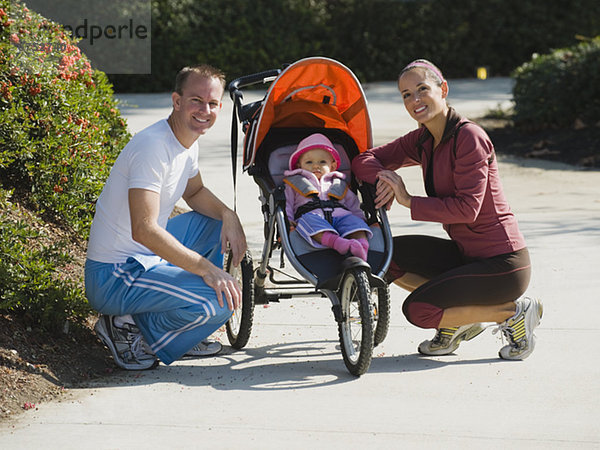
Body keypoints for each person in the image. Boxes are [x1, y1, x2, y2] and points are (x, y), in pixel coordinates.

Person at [352, 59, 542, 360]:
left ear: (443, 90)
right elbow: (364, 159)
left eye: (422, 89)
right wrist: (385, 179)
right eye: (406, 94)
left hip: (503, 265)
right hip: (467, 258)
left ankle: (513, 312)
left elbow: (468, 209)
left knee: (418, 310)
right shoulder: (424, 138)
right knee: (387, 256)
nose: (414, 100)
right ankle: (457, 320)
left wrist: (408, 200)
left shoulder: (469, 138)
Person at [85, 64, 247, 370]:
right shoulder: (152, 147)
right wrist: (206, 270)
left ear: (220, 107)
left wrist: (229, 215)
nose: (205, 110)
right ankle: (124, 327)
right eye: (196, 100)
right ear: (177, 101)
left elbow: (195, 193)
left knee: (214, 226)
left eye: (212, 103)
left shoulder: (186, 143)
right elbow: (144, 230)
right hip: (115, 276)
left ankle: (181, 332)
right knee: (218, 302)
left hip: (143, 260)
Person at [283, 133, 372, 260]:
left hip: (341, 216)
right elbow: (287, 203)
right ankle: (338, 243)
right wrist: (288, 220)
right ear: (299, 166)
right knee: (306, 222)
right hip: (312, 216)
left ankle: (362, 246)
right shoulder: (294, 183)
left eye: (322, 162)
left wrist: (360, 218)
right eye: (309, 162)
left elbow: (353, 203)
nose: (315, 166)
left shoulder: (338, 183)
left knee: (356, 223)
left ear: (333, 166)